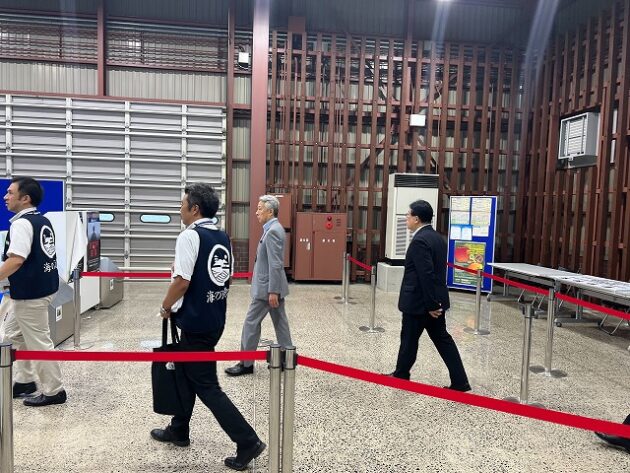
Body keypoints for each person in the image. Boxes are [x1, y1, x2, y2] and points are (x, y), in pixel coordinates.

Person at [150, 183, 265, 471]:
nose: (179, 209)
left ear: (195, 208)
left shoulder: (189, 236)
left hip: (195, 320)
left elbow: (182, 281)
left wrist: (165, 306)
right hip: (214, 318)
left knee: (206, 385)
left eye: (182, 204)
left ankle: (247, 441)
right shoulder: (221, 236)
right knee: (186, 374)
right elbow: (224, 277)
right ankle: (179, 429)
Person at [389, 199, 471, 392]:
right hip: (434, 301)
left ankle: (401, 375)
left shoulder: (420, 241)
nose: (406, 218)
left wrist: (431, 305)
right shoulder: (437, 238)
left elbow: (425, 275)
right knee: (443, 340)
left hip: (420, 303)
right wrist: (436, 303)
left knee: (409, 339)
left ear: (416, 219)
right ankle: (460, 381)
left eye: (408, 215)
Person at [0, 176, 66, 406]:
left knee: (38, 341)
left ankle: (54, 390)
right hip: (42, 288)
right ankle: (25, 380)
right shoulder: (41, 220)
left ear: (25, 198)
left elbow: (16, 260)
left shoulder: (21, 224)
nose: (5, 197)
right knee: (12, 335)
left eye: (10, 192)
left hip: (30, 294)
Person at [225, 195, 292, 377]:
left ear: (270, 211)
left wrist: (273, 291)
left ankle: (246, 363)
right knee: (280, 322)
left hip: (267, 290)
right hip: (271, 286)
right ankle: (287, 358)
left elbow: (275, 264)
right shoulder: (273, 229)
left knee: (251, 323)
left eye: (260, 208)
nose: (256, 212)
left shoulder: (273, 232)